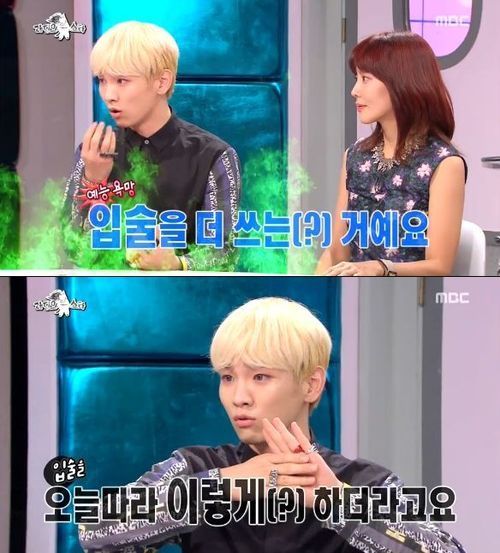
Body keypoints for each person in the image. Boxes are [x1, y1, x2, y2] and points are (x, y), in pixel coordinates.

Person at [79, 297, 466, 552]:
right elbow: (96, 531)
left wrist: (339, 504)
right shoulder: (197, 467)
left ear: (311, 384)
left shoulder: (364, 482)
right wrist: (222, 486)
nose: (239, 397)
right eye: (228, 377)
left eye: (260, 377)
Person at [63, 21, 241, 271]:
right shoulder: (94, 152)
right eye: (102, 80)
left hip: (188, 293)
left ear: (162, 82)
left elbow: (225, 252)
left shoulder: (213, 155)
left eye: (122, 81)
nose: (109, 95)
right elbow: (74, 249)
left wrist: (178, 264)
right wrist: (94, 183)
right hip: (108, 293)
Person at [317, 32, 467, 277]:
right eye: (356, 78)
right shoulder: (355, 156)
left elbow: (439, 266)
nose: (354, 90)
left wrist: (382, 268)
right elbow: (336, 252)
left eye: (366, 79)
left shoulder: (444, 163)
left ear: (401, 83)